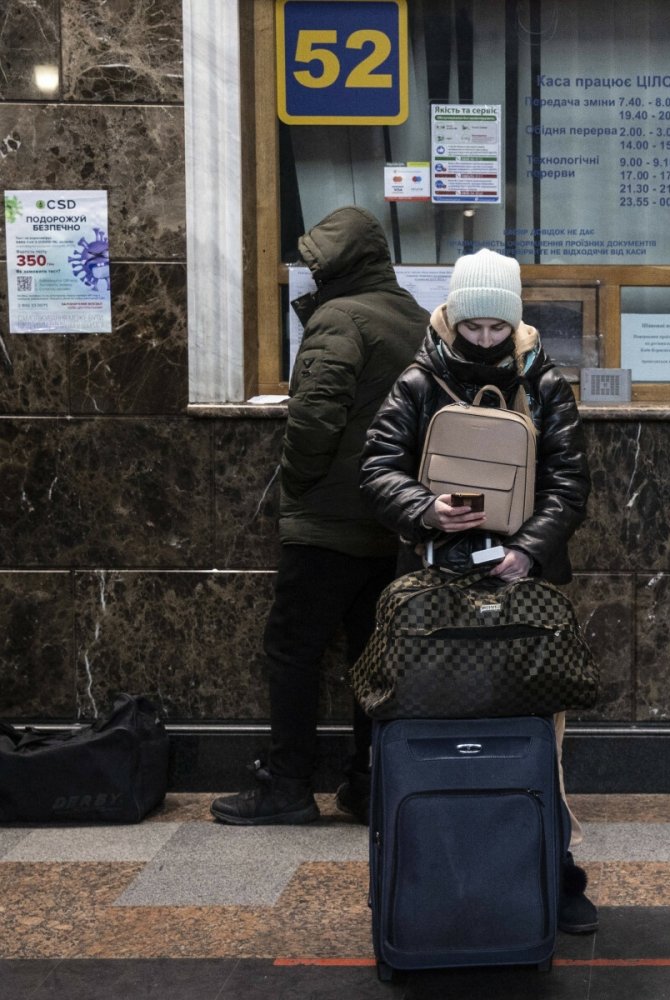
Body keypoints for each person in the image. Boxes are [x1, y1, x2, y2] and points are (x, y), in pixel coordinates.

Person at [360, 247, 596, 933]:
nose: (486, 339)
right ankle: (444, 871)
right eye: (474, 328)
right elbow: (378, 468)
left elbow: (569, 485)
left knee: (534, 738)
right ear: (454, 319)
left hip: (521, 589)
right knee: (440, 731)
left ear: (514, 320)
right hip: (435, 584)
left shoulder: (543, 382)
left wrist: (526, 550)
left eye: (499, 328)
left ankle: (554, 875)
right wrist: (425, 511)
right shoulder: (416, 380)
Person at [211, 205, 428, 827]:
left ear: (338, 266)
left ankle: (287, 785)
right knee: (372, 656)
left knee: (293, 650)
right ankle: (367, 781)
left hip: (329, 520)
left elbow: (314, 418)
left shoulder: (339, 318)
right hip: (391, 519)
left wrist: (299, 484)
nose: (306, 275)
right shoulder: (413, 317)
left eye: (314, 263)